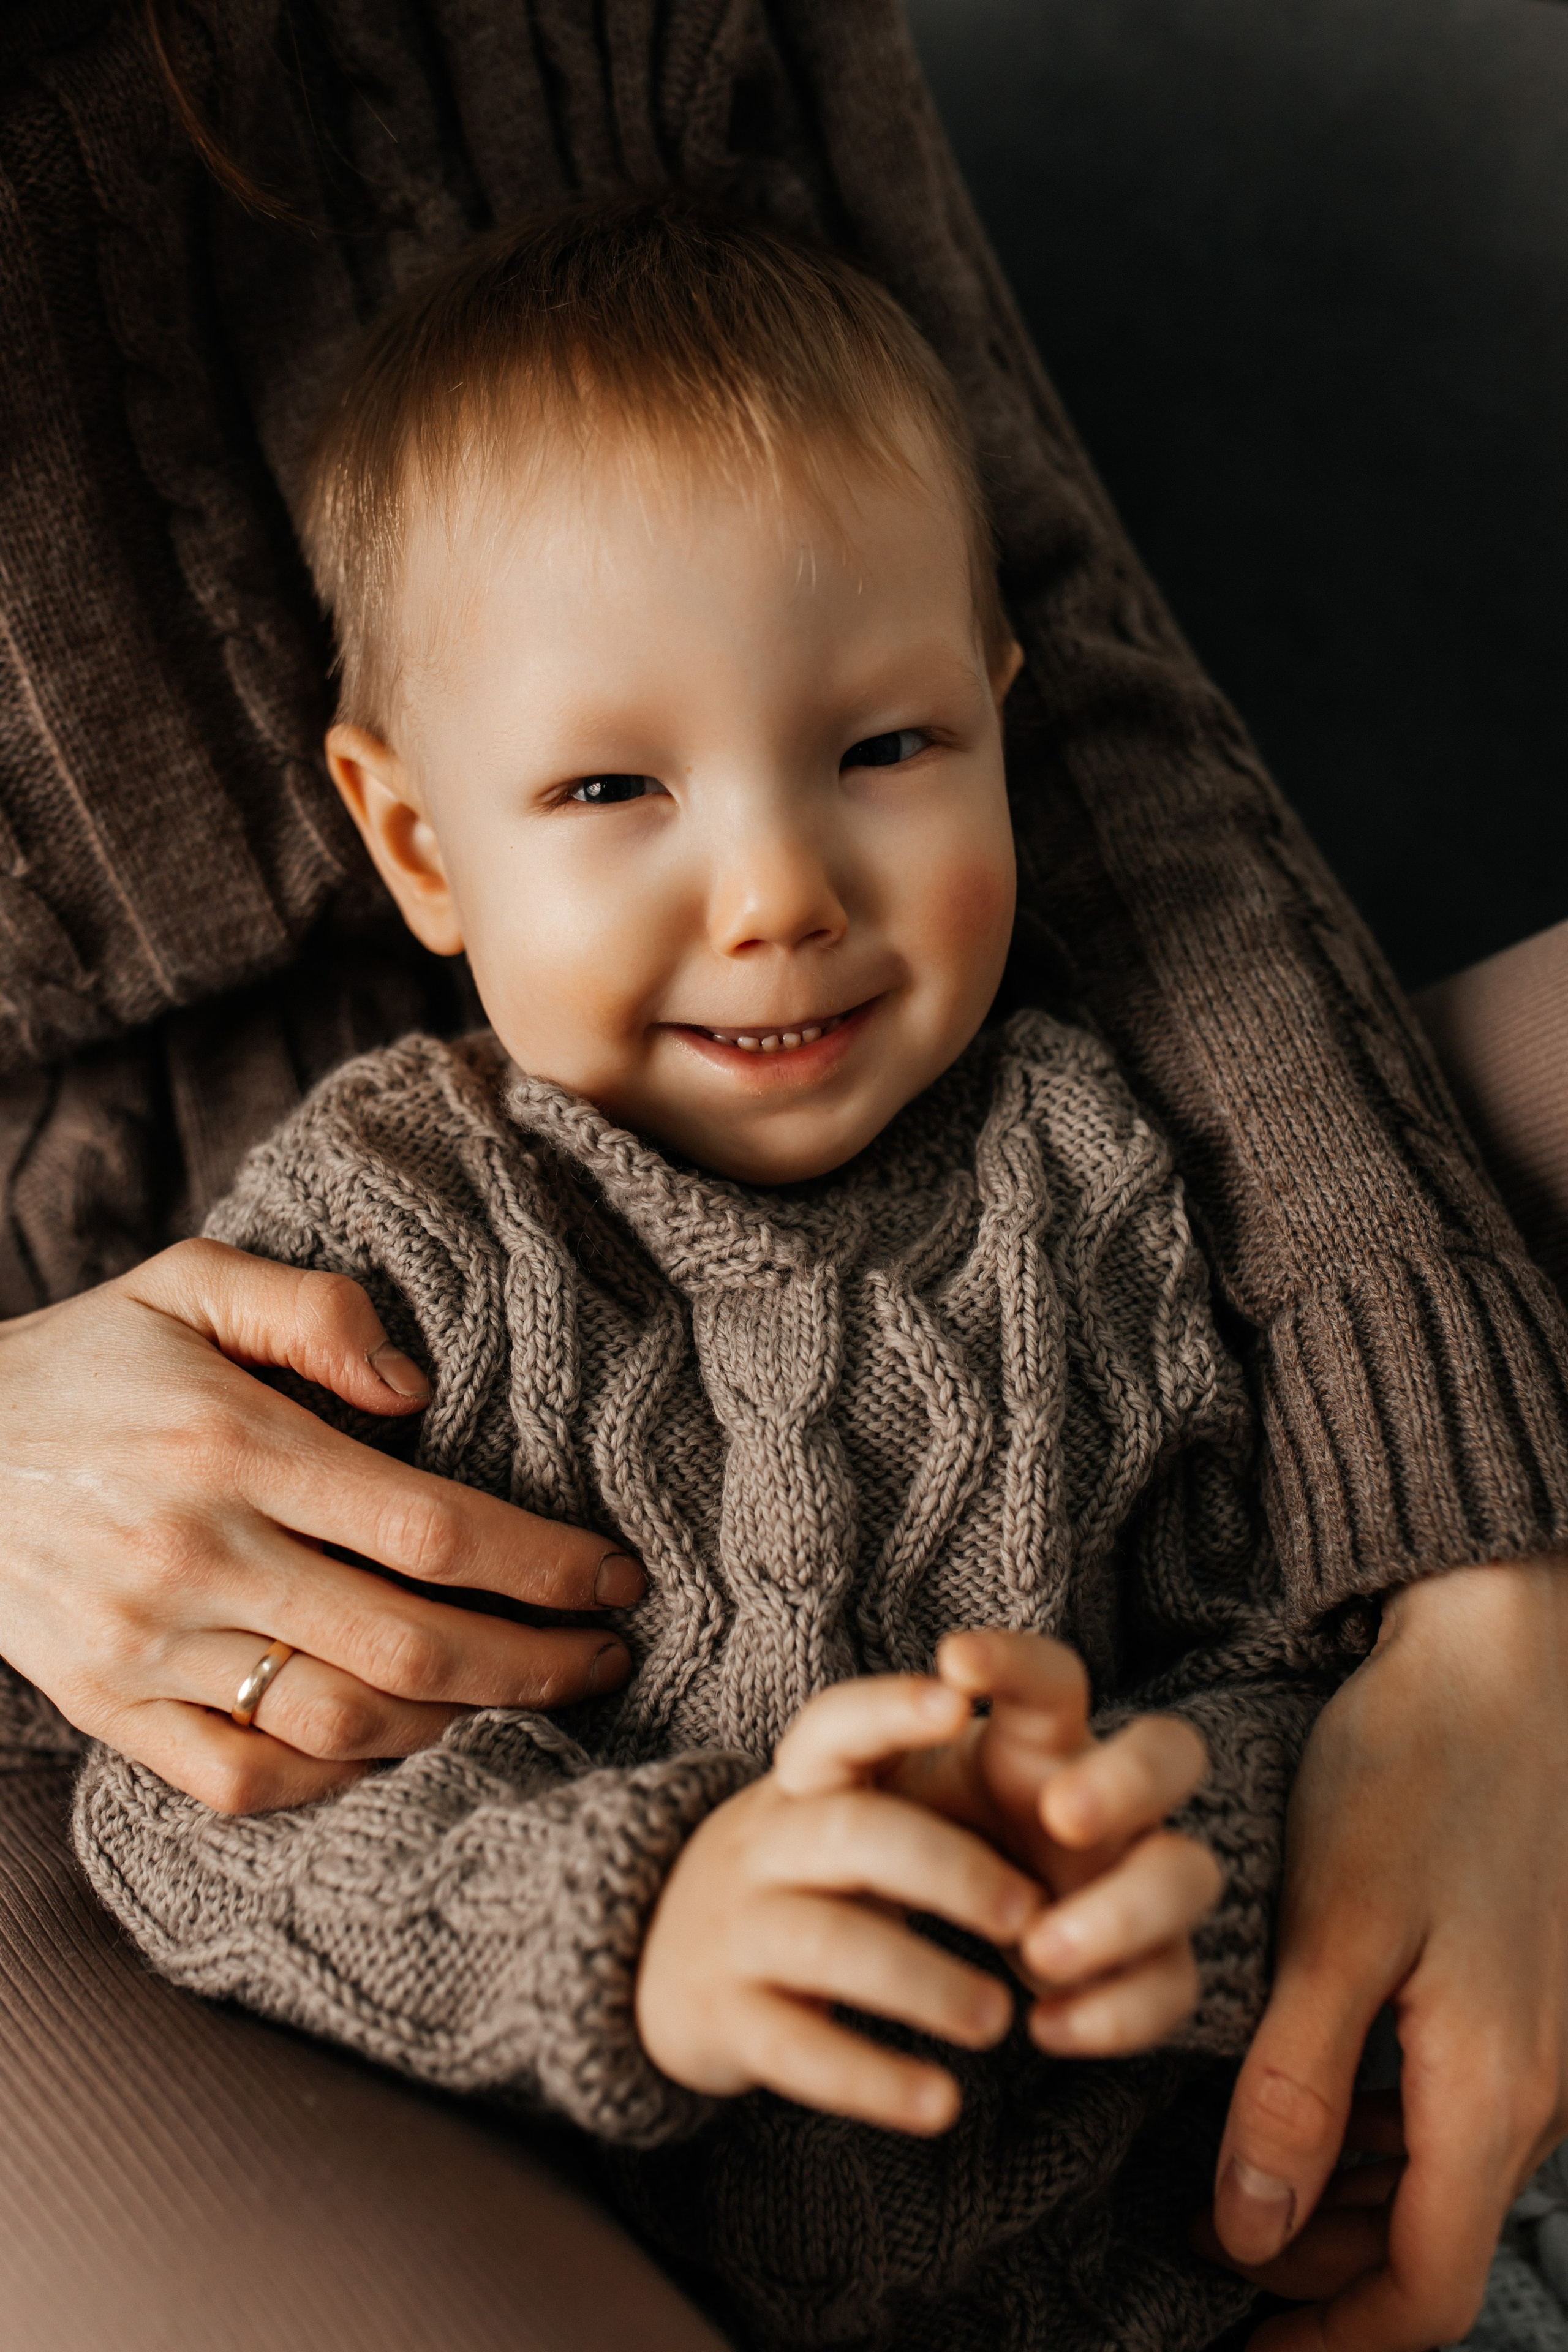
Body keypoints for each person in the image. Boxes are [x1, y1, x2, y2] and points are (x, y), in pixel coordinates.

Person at [4, 6, 1567, 2349]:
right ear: (413, 838)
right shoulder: (393, 1242)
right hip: (495, 2086)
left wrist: (1175, 1840)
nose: (777, 893)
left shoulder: (1087, 1165)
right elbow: (223, 1830)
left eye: (885, 748)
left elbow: (1264, 1630)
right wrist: (650, 1920)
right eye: (613, 793)